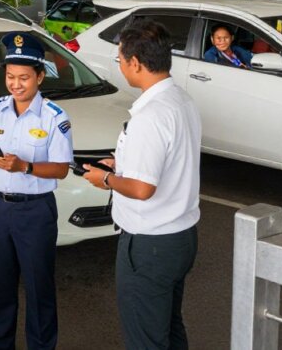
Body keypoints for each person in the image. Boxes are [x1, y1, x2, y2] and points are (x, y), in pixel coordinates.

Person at [83, 19, 201, 350]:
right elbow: (170, 160)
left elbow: (142, 189)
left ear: (135, 63)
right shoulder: (181, 101)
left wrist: (105, 178)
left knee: (146, 339)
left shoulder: (151, 115)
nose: (119, 66)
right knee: (169, 327)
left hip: (150, 245)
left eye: (120, 60)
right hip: (181, 238)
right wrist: (122, 164)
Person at [0, 32, 72, 350]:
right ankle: (0, 345)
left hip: (35, 210)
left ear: (40, 77)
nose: (16, 84)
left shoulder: (55, 117)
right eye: (11, 77)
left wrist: (24, 166)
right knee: (0, 284)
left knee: (38, 286)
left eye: (24, 78)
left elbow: (61, 168)